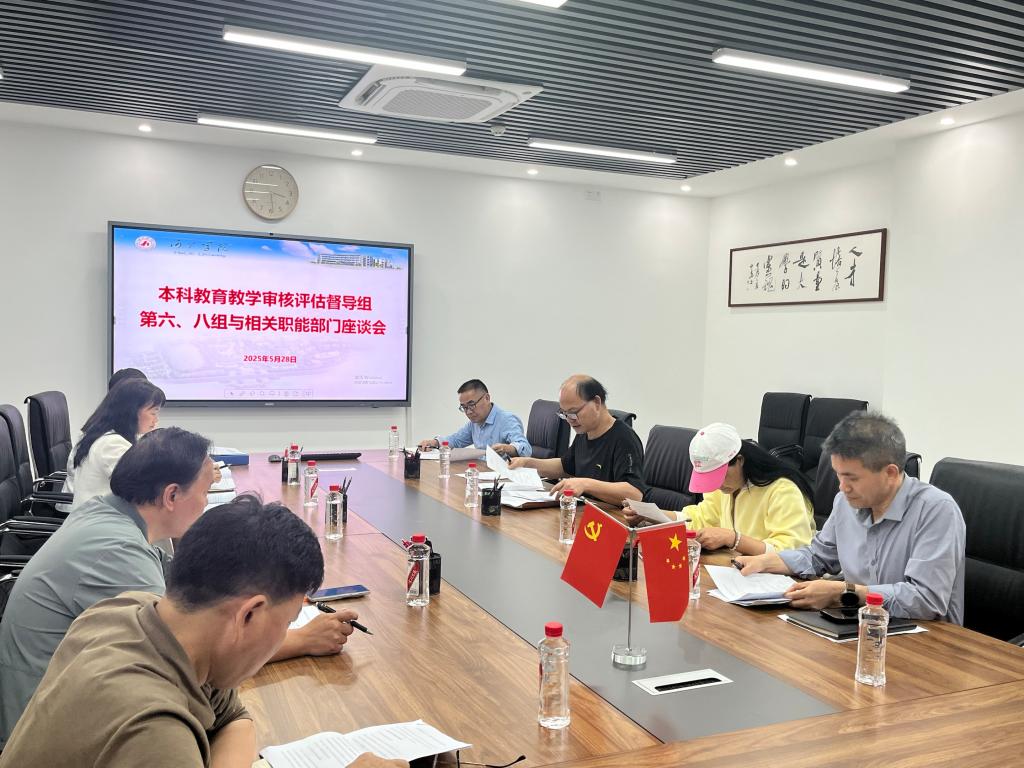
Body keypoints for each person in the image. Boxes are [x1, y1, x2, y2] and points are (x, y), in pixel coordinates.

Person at [0, 428, 358, 747]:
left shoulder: (110, 516)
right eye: (206, 492)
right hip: (47, 719)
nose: (207, 504)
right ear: (171, 495)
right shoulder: (117, 552)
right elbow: (199, 637)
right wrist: (303, 638)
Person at [0, 496, 405, 768]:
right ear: (248, 615)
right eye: (286, 622)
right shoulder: (155, 732)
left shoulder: (132, 611)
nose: (284, 635)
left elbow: (235, 716)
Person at [736, 411, 966, 623]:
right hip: (859, 624)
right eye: (838, 475)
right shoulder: (845, 503)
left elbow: (925, 600)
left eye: (852, 478)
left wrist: (844, 592)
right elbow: (818, 556)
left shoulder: (936, 510)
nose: (842, 487)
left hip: (924, 638)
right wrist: (768, 562)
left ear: (890, 473)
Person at [625, 423, 816, 554]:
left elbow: (792, 551)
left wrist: (733, 539)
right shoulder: (725, 488)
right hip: (739, 573)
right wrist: (652, 515)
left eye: (719, 476)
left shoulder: (783, 490)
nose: (717, 485)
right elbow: (700, 517)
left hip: (778, 583)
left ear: (739, 460)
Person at [510, 375, 645, 505]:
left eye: (574, 412)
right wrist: (527, 463)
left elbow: (634, 494)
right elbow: (565, 466)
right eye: (565, 414)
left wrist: (585, 484)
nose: (570, 420)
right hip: (583, 511)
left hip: (608, 516)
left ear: (596, 402)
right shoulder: (584, 431)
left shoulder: (624, 438)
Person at [64, 376, 166, 510]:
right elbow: (142, 489)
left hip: (98, 514)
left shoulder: (105, 435)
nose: (156, 420)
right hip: (99, 518)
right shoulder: (111, 445)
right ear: (132, 411)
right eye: (153, 413)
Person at [418, 379, 532, 457]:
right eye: (464, 407)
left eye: (471, 405)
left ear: (487, 398)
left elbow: (526, 449)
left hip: (502, 477)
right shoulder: (474, 423)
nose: (468, 412)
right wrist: (435, 442)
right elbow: (456, 440)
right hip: (481, 473)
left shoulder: (506, 420)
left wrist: (508, 448)